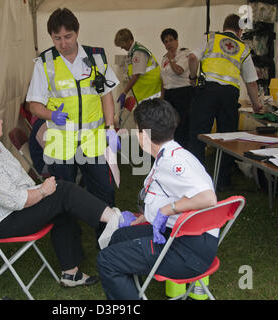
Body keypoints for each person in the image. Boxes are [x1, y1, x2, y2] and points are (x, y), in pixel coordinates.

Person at [0, 105, 130, 287]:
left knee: (62, 198)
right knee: (63, 192)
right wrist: (42, 191)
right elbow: (17, 201)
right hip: (4, 222)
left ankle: (71, 274)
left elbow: (16, 189)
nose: (2, 121)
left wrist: (42, 190)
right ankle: (115, 220)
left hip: (14, 209)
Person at [97, 98, 218, 300]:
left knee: (107, 260)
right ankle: (129, 288)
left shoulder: (173, 162)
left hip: (188, 252)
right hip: (184, 238)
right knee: (119, 237)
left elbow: (208, 198)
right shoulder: (169, 154)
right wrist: (144, 218)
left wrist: (166, 210)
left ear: (144, 135)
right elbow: (167, 195)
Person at [26, 8, 120, 237]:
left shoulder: (96, 58)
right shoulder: (45, 63)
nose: (63, 43)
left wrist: (110, 127)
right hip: (61, 140)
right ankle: (70, 246)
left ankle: (106, 237)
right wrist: (50, 115)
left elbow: (106, 95)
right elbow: (33, 105)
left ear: (77, 33)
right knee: (61, 194)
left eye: (67, 37)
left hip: (93, 138)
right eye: (56, 38)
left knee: (104, 190)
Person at [187, 14, 263, 191]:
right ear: (239, 31)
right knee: (228, 139)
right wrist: (256, 104)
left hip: (206, 91)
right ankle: (222, 182)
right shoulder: (243, 48)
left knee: (198, 136)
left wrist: (193, 77)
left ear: (223, 26)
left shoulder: (210, 38)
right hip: (229, 95)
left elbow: (192, 58)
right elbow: (251, 82)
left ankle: (194, 180)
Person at [159, 28, 193, 149]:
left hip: (182, 93)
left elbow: (178, 71)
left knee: (182, 125)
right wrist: (162, 98)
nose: (168, 43)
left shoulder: (184, 54)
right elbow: (163, 79)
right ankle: (172, 148)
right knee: (170, 124)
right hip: (169, 94)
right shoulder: (164, 58)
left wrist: (172, 58)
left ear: (177, 40)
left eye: (171, 40)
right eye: (166, 41)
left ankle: (183, 149)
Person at [114, 28, 161, 108]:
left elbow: (136, 75)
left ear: (129, 41)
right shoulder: (133, 52)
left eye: (122, 45)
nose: (122, 48)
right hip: (146, 92)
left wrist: (124, 92)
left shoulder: (138, 52)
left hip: (152, 92)